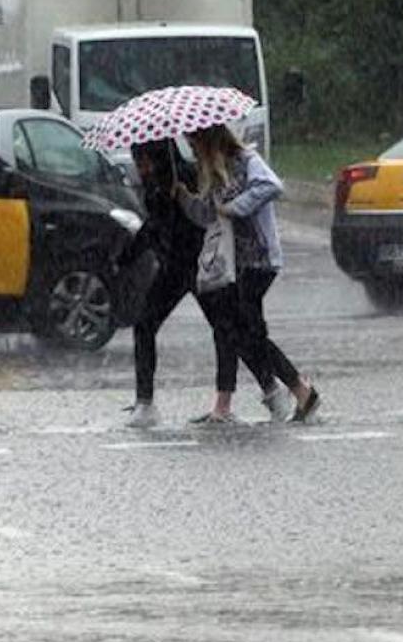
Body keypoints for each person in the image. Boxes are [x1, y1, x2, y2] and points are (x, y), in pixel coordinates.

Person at [119, 138, 293, 428]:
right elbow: (153, 226)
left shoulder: (187, 175)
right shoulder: (154, 185)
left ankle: (271, 390)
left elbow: (203, 219)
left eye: (145, 160)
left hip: (204, 266)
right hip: (173, 270)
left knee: (231, 332)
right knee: (145, 323)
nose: (141, 167)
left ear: (161, 156)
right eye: (137, 161)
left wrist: (181, 198)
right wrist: (127, 257)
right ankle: (145, 402)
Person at [175, 124, 320, 424]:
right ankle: (290, 392)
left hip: (260, 260)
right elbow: (208, 215)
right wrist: (185, 199)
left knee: (246, 332)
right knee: (239, 332)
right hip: (234, 263)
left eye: (193, 141)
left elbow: (271, 186)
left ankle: (298, 391)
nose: (190, 147)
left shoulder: (245, 160)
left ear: (208, 138)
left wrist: (236, 207)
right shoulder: (214, 171)